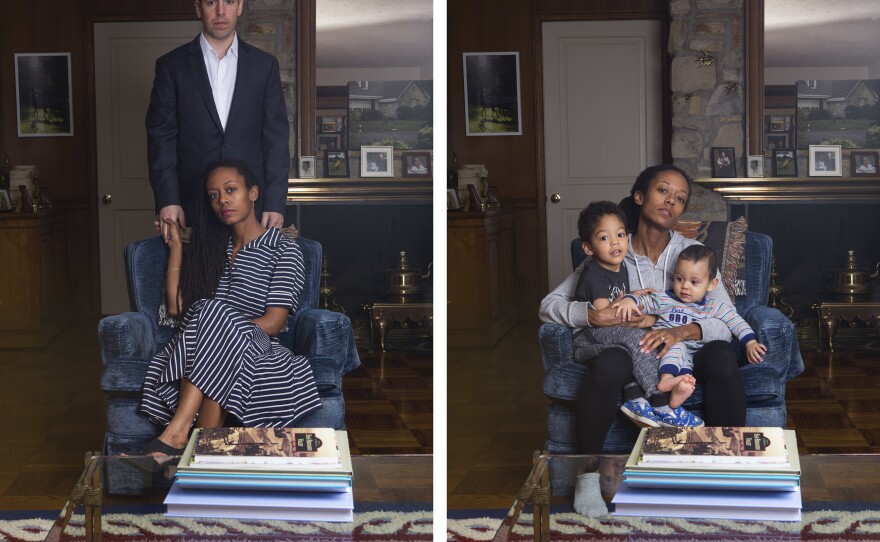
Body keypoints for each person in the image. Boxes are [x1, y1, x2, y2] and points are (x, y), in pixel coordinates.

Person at [540, 164, 747, 454]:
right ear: (639, 196)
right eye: (663, 191)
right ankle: (586, 473)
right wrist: (591, 314)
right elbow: (548, 306)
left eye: (679, 198)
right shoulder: (611, 252)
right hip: (632, 354)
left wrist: (680, 332)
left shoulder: (692, 253)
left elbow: (726, 320)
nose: (670, 201)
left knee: (722, 353)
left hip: (683, 354)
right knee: (610, 360)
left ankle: (732, 461)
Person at [136, 159, 320, 461]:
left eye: (230, 190)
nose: (222, 200)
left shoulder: (283, 249)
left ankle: (175, 434)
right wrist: (178, 249)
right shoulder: (211, 250)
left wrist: (224, 331)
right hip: (203, 350)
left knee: (212, 312)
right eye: (213, 195)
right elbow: (176, 308)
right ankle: (202, 452)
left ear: (253, 193)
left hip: (258, 347)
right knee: (210, 320)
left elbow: (273, 323)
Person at [146, 0, 290, 243]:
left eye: (229, 1)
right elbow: (161, 138)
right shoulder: (171, 66)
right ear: (198, 7)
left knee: (251, 280)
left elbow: (275, 139)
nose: (221, 11)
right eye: (212, 2)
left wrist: (275, 201)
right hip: (192, 204)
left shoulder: (264, 66)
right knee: (195, 280)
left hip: (252, 207)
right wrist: (168, 199)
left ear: (240, 7)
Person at [572, 201, 704, 428]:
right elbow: (607, 316)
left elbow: (620, 303)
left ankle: (635, 400)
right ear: (588, 248)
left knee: (644, 340)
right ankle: (660, 399)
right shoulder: (593, 274)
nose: (615, 242)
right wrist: (633, 307)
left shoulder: (621, 266)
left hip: (612, 340)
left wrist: (635, 296)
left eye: (621, 235)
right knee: (641, 340)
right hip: (590, 338)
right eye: (604, 238)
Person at [614, 244, 767, 409]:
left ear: (711, 284)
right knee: (677, 345)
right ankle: (666, 380)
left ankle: (678, 391)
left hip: (692, 359)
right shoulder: (665, 299)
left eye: (694, 282)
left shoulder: (714, 306)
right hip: (660, 352)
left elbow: (735, 321)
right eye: (680, 279)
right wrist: (630, 300)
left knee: (686, 368)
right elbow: (645, 301)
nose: (685, 286)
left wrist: (750, 342)